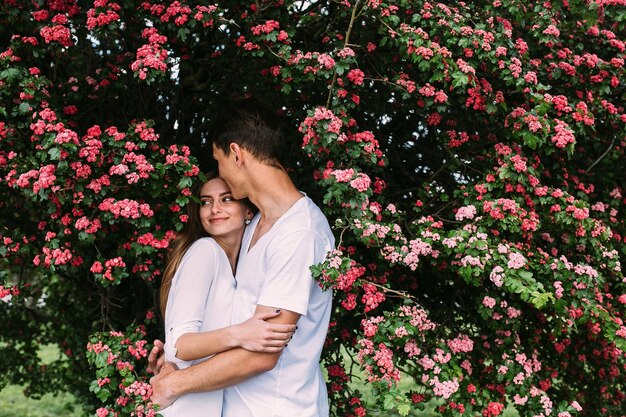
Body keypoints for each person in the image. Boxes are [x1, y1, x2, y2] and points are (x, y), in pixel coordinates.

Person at [150, 102, 335, 417]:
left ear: (236, 154)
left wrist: (173, 384)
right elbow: (233, 322)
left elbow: (262, 355)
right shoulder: (254, 225)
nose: (221, 171)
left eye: (219, 160)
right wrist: (177, 359)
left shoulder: (299, 234)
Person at [157, 173, 296, 416]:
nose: (215, 210)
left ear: (248, 212)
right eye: (206, 202)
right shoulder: (205, 252)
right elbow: (178, 345)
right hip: (183, 408)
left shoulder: (235, 267)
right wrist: (241, 333)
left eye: (227, 199)